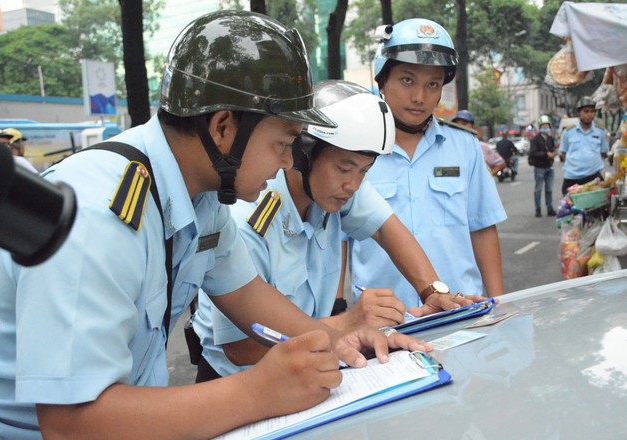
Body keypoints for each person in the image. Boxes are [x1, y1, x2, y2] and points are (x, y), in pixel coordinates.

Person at [0, 11, 427, 439]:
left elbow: (246, 294)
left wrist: (343, 338)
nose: (289, 159)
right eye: (283, 141)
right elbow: (70, 425)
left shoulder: (202, 196)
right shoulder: (99, 213)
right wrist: (256, 393)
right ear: (224, 127)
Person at [192, 80, 482, 382]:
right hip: (240, 382)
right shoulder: (248, 221)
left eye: (364, 171)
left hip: (312, 363)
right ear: (301, 154)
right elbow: (238, 348)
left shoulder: (335, 190)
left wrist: (432, 291)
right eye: (344, 169)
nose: (354, 185)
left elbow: (388, 230)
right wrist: (346, 324)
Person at [348, 18, 507, 309]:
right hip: (387, 319)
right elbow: (340, 239)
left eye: (432, 84)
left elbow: (482, 227)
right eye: (407, 80)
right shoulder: (353, 150)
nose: (420, 97)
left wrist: (498, 303)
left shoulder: (464, 146)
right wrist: (337, 306)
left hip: (462, 308)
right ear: (382, 80)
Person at [560, 97, 609, 196]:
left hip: (593, 178)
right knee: (569, 209)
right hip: (572, 178)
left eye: (592, 111)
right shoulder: (568, 132)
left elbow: (603, 153)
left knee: (600, 208)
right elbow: (563, 153)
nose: (589, 114)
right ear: (579, 113)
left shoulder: (601, 131)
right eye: (586, 111)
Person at [452, 110, 506, 177]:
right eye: (456, 124)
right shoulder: (449, 147)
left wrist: (486, 179)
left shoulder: (481, 146)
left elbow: (501, 164)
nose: (460, 126)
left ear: (472, 126)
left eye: (464, 123)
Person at [528, 115, 557, 217]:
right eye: (543, 126)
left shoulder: (550, 139)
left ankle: (550, 208)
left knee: (549, 189)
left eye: (547, 126)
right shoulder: (535, 139)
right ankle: (538, 209)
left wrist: (553, 153)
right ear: (540, 127)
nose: (546, 128)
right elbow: (532, 153)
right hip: (539, 167)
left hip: (549, 166)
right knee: (538, 189)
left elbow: (553, 149)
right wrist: (545, 154)